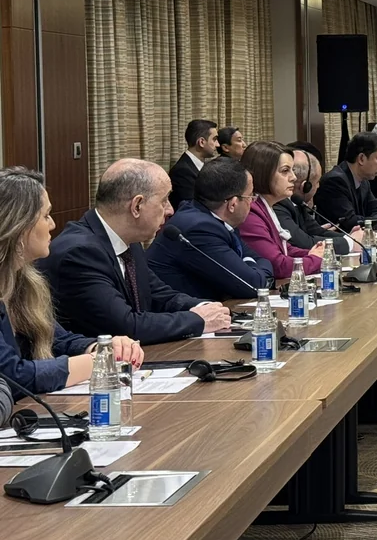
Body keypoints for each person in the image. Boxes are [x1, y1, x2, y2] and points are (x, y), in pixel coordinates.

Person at [43, 159, 230, 344]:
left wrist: (206, 308)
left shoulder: (129, 241)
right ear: (137, 206)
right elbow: (125, 326)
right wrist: (198, 320)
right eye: (164, 201)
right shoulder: (80, 253)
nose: (170, 210)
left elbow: (158, 295)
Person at [0, 167, 143, 397]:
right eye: (46, 215)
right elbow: (13, 377)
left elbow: (59, 340)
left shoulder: (25, 282)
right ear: (19, 225)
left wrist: (102, 348)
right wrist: (96, 362)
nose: (52, 225)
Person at [146, 158, 273, 300]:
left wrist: (250, 265)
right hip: (176, 311)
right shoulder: (199, 229)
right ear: (233, 204)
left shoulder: (212, 220)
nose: (252, 201)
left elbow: (260, 260)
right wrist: (252, 266)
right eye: (250, 196)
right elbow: (254, 286)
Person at [239, 141, 325, 279]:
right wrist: (315, 259)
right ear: (263, 173)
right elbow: (278, 265)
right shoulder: (250, 212)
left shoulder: (265, 206)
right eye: (285, 171)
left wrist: (314, 254)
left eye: (292, 170)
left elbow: (285, 249)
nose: (294, 177)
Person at [275, 147, 356, 254]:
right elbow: (305, 243)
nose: (318, 186)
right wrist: (350, 243)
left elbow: (317, 231)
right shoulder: (278, 205)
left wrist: (351, 237)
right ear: (305, 186)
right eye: (317, 182)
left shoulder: (296, 203)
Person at [312, 132, 377, 232]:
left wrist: (375, 219)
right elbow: (350, 222)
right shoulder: (334, 181)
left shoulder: (364, 181)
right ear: (361, 159)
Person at [168, 118, 218, 209]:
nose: (217, 144)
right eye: (214, 139)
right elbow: (191, 208)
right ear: (201, 142)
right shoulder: (182, 171)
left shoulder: (205, 166)